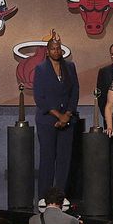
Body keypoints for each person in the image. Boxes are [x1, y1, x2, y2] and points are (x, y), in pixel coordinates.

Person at [31, 31, 78, 206]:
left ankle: (60, 196)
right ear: (47, 51)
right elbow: (39, 97)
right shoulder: (41, 69)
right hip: (47, 120)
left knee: (64, 160)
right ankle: (44, 197)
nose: (57, 51)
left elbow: (75, 92)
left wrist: (67, 114)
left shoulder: (70, 67)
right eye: (53, 48)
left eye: (59, 48)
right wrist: (58, 116)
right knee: (47, 158)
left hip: (68, 119)